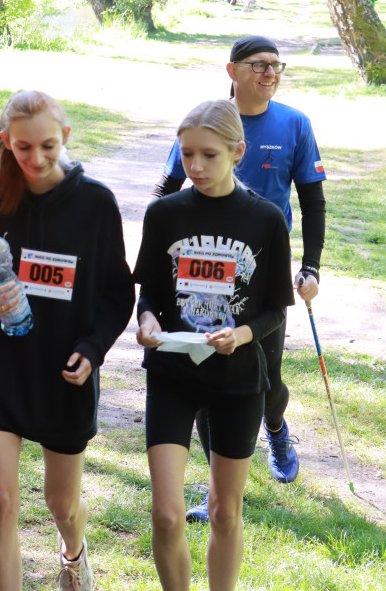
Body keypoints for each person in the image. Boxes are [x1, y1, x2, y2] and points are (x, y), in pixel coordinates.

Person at [0, 91, 135, 591]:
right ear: (4, 143)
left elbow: (118, 294)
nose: (35, 160)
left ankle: (74, 557)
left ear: (66, 139)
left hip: (64, 376)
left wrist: (93, 349)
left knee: (62, 502)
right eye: (23, 148)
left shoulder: (95, 205)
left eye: (48, 147)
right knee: (0, 501)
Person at [153, 36, 326, 521]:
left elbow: (312, 200)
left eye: (276, 65)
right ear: (233, 70)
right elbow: (168, 187)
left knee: (266, 381)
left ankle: (274, 427)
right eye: (259, 65)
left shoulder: (294, 124)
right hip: (207, 266)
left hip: (262, 272)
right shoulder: (206, 119)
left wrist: (309, 265)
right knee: (211, 375)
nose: (270, 73)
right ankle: (217, 494)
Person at [135, 99, 295, 591]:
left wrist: (241, 335)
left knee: (225, 512)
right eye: (187, 156)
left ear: (238, 152)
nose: (196, 167)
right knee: (166, 515)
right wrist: (146, 322)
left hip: (238, 380)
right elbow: (150, 295)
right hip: (173, 376)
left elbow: (273, 308)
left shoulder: (265, 219)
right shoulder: (164, 214)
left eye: (209, 155)